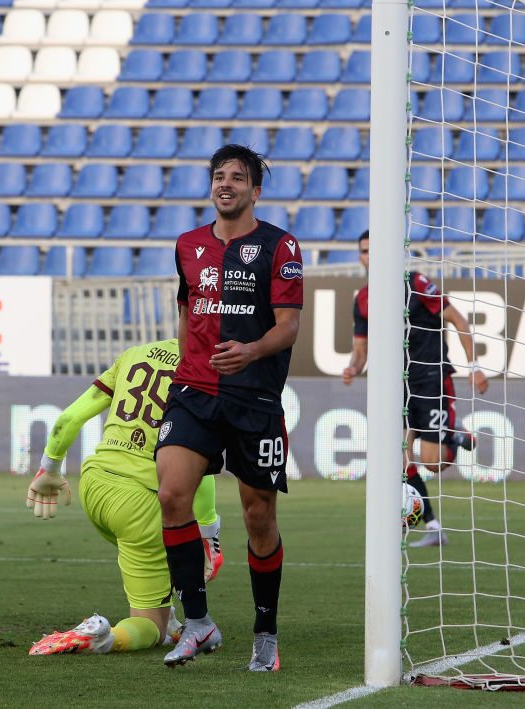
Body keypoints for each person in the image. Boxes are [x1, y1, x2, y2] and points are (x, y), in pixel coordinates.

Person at [154, 144, 304, 671]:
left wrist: (252, 351)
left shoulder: (279, 246)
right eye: (219, 176)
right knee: (172, 493)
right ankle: (197, 623)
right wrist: (180, 366)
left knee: (257, 515)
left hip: (254, 397)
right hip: (194, 391)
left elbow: (288, 327)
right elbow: (186, 309)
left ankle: (266, 631)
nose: (226, 184)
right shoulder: (187, 245)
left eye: (238, 177)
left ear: (255, 190)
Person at [24, 338, 224, 656]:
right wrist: (209, 534)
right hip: (141, 503)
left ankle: (166, 612)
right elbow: (197, 469)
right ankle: (102, 637)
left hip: (95, 483)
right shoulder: (207, 367)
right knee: (149, 627)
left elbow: (70, 418)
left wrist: (49, 468)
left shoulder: (134, 355)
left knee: (159, 564)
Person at [342, 230, 489, 547]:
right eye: (364, 251)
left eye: (373, 250)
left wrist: (474, 366)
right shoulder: (363, 299)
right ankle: (434, 527)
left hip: (432, 378)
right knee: (398, 459)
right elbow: (361, 349)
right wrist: (353, 366)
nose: (369, 256)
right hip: (396, 385)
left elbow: (458, 320)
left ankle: (453, 433)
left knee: (434, 461)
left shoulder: (417, 283)